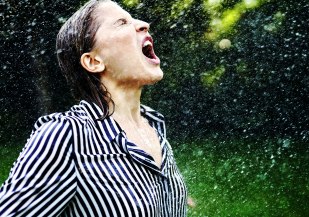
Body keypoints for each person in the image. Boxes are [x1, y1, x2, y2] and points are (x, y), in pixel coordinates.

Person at [0, 0, 188, 216]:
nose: (143, 24)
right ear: (93, 61)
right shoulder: (67, 136)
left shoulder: (154, 127)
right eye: (121, 23)